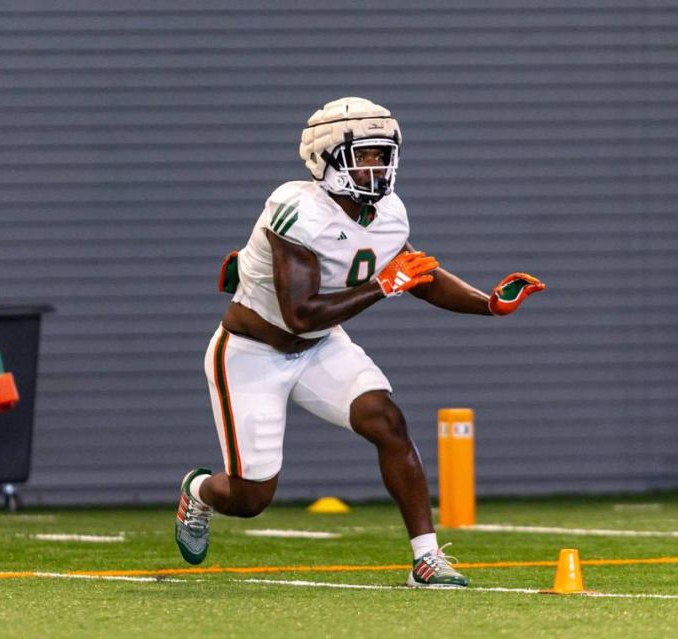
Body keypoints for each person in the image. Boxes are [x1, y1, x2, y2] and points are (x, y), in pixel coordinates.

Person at [175, 97, 545, 587]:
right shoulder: (296, 210)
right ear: (323, 159)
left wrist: (487, 303)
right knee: (250, 500)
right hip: (251, 353)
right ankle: (199, 493)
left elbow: (418, 274)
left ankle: (426, 558)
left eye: (383, 153)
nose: (377, 165)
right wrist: (382, 285)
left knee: (388, 422)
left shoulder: (389, 211)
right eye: (364, 154)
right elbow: (300, 313)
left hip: (320, 345)